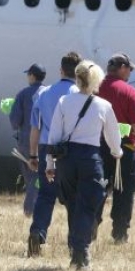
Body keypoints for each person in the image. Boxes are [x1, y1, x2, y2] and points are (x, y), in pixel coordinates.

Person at [45, 60, 123, 270]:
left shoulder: (63, 101)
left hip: (66, 159)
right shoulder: (103, 105)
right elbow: (113, 137)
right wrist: (117, 153)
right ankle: (82, 252)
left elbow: (54, 136)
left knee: (72, 204)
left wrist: (50, 163)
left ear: (77, 79)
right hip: (90, 158)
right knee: (88, 205)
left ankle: (75, 249)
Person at [26, 51, 81, 257]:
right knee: (73, 197)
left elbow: (35, 128)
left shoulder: (44, 93)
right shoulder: (80, 94)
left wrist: (33, 155)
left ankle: (37, 232)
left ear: (60, 70)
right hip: (71, 149)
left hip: (46, 146)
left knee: (45, 195)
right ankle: (75, 242)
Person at [95, 53, 135, 244]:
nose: (130, 73)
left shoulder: (94, 89)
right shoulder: (129, 92)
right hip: (123, 149)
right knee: (123, 191)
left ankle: (90, 227)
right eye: (129, 69)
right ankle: (120, 234)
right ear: (122, 67)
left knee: (96, 188)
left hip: (96, 148)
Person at [10, 63, 46, 216]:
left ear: (32, 76)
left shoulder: (23, 94)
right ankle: (38, 206)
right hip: (46, 140)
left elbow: (15, 121)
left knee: (31, 177)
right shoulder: (49, 93)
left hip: (26, 140)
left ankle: (30, 210)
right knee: (41, 176)